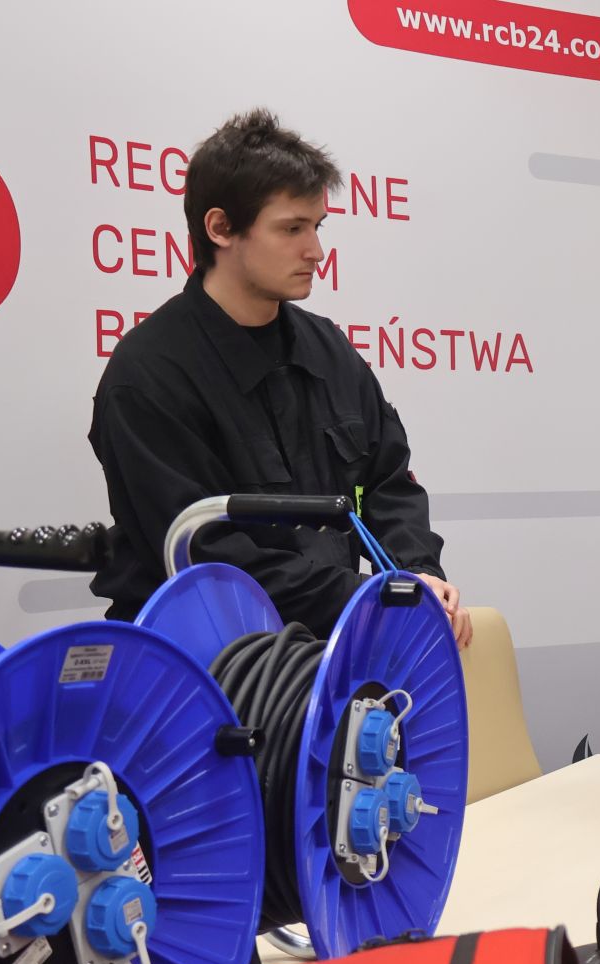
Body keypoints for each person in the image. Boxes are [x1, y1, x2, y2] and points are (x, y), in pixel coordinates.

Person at [89, 109, 470, 647]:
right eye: (292, 229)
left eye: (317, 227)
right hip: (197, 661)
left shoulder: (329, 350)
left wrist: (417, 573)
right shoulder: (148, 375)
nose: (315, 251)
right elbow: (211, 559)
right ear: (221, 228)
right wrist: (375, 598)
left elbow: (387, 483)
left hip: (332, 649)